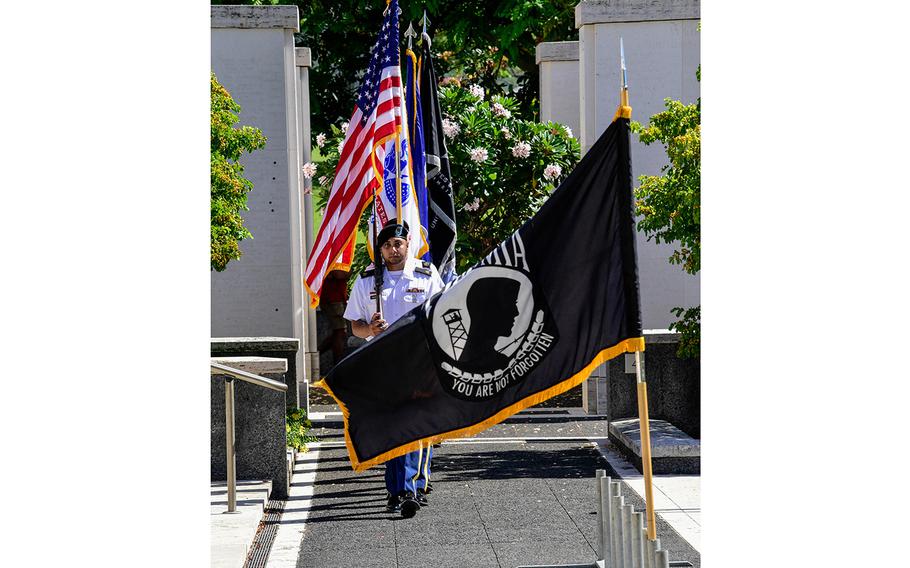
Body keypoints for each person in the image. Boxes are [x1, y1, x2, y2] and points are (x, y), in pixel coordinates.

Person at [343, 219, 445, 519]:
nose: (393, 250)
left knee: (415, 423)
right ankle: (401, 488)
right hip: (383, 363)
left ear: (408, 243)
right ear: (380, 249)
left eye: (397, 243)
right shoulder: (367, 280)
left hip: (418, 360)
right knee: (394, 426)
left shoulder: (426, 275)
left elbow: (439, 312)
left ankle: (407, 488)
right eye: (386, 245)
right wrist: (370, 328)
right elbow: (355, 327)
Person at [318, 269, 350, 366]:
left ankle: (317, 353)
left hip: (335, 298)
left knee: (339, 333)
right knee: (340, 332)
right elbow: (339, 274)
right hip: (333, 299)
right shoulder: (334, 257)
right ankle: (338, 364)